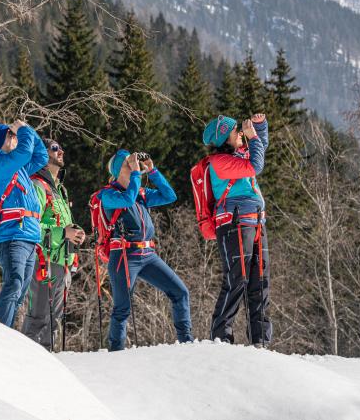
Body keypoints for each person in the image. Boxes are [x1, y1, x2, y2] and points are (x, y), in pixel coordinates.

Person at [98, 150, 193, 350]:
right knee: (122, 307)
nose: (133, 165)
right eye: (127, 163)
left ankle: (187, 342)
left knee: (180, 292)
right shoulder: (108, 194)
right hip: (124, 255)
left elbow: (169, 196)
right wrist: (135, 174)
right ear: (118, 171)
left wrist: (153, 172)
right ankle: (116, 352)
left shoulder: (141, 193)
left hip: (148, 255)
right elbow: (127, 200)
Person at [203, 113, 271, 346]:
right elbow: (256, 164)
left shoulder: (240, 154)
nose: (240, 132)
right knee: (237, 279)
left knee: (259, 281)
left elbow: (260, 148)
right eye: (236, 131)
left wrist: (260, 127)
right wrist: (252, 137)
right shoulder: (219, 163)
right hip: (234, 223)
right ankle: (221, 337)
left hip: (255, 222)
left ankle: (260, 340)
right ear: (225, 139)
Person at [0, 120, 48, 328]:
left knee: (19, 292)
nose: (15, 138)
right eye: (10, 135)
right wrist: (24, 130)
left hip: (29, 238)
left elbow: (41, 156)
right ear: (0, 141)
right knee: (14, 285)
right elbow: (26, 153)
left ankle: (5, 333)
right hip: (13, 237)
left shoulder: (17, 167)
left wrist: (29, 130)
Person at [22, 138, 85, 349]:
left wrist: (75, 233)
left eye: (61, 147)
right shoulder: (37, 186)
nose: (61, 151)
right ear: (42, 153)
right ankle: (26, 363)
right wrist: (63, 233)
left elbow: (63, 224)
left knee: (54, 321)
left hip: (61, 262)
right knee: (38, 318)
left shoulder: (60, 189)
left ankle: (49, 364)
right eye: (55, 148)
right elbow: (30, 227)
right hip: (43, 261)